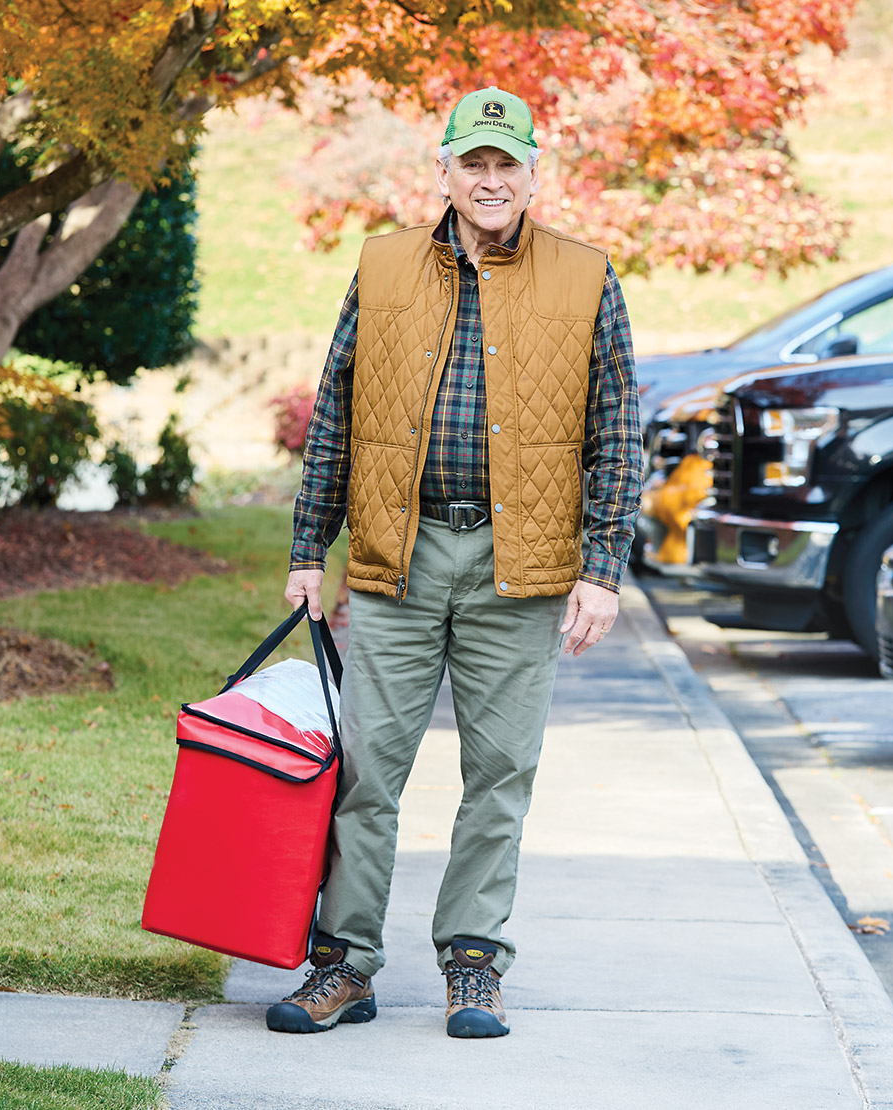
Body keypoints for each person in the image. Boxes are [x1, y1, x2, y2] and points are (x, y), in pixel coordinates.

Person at [266, 85, 643, 1040]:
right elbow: (336, 415)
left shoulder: (588, 277)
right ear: (442, 170)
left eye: (504, 164)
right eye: (470, 163)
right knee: (366, 772)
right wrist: (309, 551)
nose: (487, 180)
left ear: (531, 175)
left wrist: (602, 567)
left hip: (522, 566)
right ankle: (343, 964)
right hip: (400, 554)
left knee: (500, 772)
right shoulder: (384, 266)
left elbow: (616, 434)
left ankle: (472, 963)